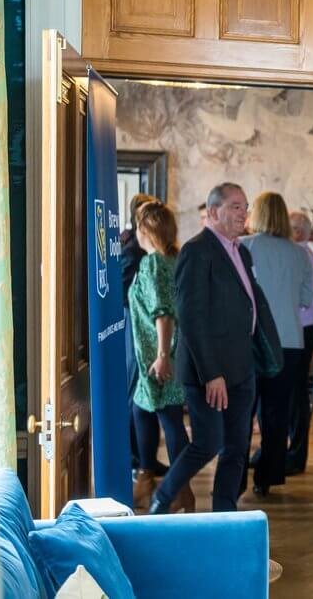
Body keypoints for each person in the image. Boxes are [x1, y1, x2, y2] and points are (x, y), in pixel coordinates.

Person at [149, 182, 283, 513]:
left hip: (242, 367)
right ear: (213, 212)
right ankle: (162, 498)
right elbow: (191, 319)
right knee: (208, 443)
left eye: (245, 206)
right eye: (235, 206)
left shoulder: (242, 250)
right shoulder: (197, 251)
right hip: (209, 372)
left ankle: (224, 516)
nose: (244, 213)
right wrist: (212, 374)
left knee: (237, 447)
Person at [241, 192, 313, 495]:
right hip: (289, 341)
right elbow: (306, 300)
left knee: (243, 413)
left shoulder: (244, 247)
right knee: (276, 413)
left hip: (252, 340)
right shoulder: (300, 254)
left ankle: (234, 479)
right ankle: (266, 479)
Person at [128, 201, 193, 512]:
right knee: (149, 413)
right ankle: (155, 484)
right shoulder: (173, 259)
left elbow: (163, 313)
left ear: (145, 231)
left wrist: (162, 355)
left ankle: (174, 489)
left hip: (159, 355)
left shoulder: (153, 263)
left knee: (168, 418)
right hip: (162, 354)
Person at [120, 192, 168, 479]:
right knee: (136, 397)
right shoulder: (135, 256)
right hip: (137, 334)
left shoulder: (154, 259)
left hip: (148, 337)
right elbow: (127, 299)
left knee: (148, 399)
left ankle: (146, 459)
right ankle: (139, 459)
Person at [288, 210, 313, 474]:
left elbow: (307, 302)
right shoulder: (301, 256)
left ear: (298, 231)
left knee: (296, 395)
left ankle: (296, 455)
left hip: (300, 331)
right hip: (297, 330)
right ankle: (289, 452)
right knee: (291, 395)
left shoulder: (304, 258)